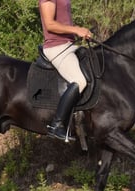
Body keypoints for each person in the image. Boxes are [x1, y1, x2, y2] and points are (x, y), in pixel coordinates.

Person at [39, 0, 92, 141]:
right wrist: (76, 30)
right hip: (56, 47)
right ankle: (56, 125)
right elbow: (50, 24)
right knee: (80, 81)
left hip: (69, 45)